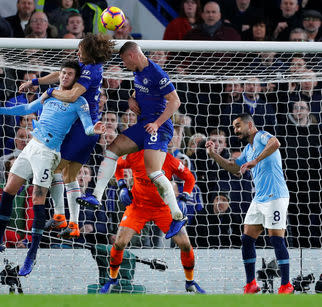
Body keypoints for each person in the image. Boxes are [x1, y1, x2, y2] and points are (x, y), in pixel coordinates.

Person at [0, 60, 106, 276]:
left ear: (75, 78)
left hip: (48, 154)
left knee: (38, 200)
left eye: (69, 74)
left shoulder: (79, 101)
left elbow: (86, 128)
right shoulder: (50, 92)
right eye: (63, 73)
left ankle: (32, 254)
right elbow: (28, 108)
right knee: (8, 191)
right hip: (31, 147)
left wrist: (94, 129)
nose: (65, 77)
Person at [77, 41, 186, 230]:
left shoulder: (157, 73)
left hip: (158, 128)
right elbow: (141, 89)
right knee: (112, 149)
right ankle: (96, 196)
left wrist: (157, 123)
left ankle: (177, 215)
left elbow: (175, 101)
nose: (124, 66)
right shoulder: (138, 71)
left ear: (131, 56)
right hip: (144, 124)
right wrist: (131, 97)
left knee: (153, 172)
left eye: (124, 62)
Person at [19, 33, 114, 239]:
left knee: (53, 170)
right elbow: (61, 73)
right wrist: (37, 81)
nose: (78, 52)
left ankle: (60, 216)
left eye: (81, 48)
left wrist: (50, 93)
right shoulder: (86, 64)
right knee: (70, 176)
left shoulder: (91, 71)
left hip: (82, 128)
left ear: (89, 51)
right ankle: (73, 224)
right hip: (87, 131)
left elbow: (71, 95)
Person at [205, 113, 294, 294]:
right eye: (234, 127)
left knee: (276, 238)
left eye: (238, 126)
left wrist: (255, 161)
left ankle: (286, 285)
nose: (235, 130)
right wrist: (213, 154)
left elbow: (276, 143)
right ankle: (251, 284)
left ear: (250, 125)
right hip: (260, 198)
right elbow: (234, 168)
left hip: (276, 196)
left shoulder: (262, 136)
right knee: (247, 239)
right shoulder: (247, 149)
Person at [99, 149, 204, 294]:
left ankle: (190, 282)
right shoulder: (135, 156)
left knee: (185, 244)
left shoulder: (169, 160)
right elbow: (117, 165)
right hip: (138, 207)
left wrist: (184, 197)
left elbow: (190, 178)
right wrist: (122, 186)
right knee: (119, 242)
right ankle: (112, 278)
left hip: (163, 209)